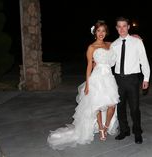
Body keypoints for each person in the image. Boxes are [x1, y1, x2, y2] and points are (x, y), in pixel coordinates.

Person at [47, 20, 120, 150]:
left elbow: (123, 41)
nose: (101, 33)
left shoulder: (110, 44)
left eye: (103, 30)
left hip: (109, 77)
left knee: (112, 104)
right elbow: (89, 66)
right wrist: (87, 84)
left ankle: (106, 125)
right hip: (96, 77)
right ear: (95, 32)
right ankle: (101, 129)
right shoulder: (91, 47)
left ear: (106, 32)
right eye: (98, 31)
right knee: (96, 104)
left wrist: (136, 37)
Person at [110, 17, 150, 144]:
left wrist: (146, 78)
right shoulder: (114, 44)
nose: (122, 29)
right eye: (119, 26)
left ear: (128, 27)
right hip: (118, 80)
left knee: (134, 109)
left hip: (132, 79)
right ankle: (124, 130)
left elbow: (144, 60)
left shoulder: (137, 42)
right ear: (116, 28)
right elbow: (111, 62)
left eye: (124, 26)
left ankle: (137, 132)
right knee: (120, 107)